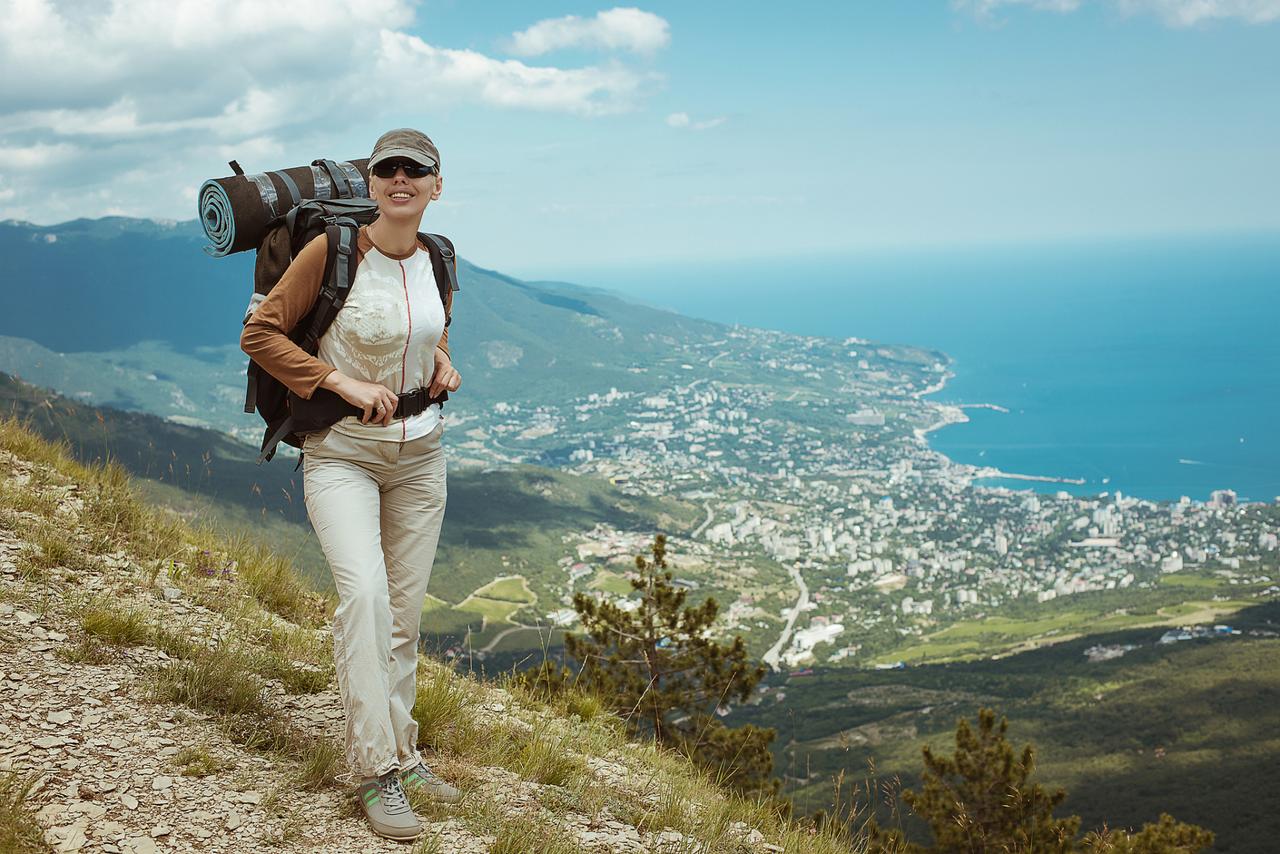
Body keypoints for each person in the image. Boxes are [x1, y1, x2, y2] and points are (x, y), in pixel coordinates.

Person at [240, 128, 462, 842]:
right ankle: (375, 775)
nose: (401, 179)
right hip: (342, 452)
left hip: (422, 458)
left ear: (436, 185)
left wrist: (444, 366)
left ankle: (404, 750)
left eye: (415, 170)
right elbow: (262, 333)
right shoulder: (331, 254)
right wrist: (335, 379)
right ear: (372, 182)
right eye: (388, 168)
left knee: (401, 616)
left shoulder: (440, 259)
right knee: (363, 598)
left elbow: (433, 331)